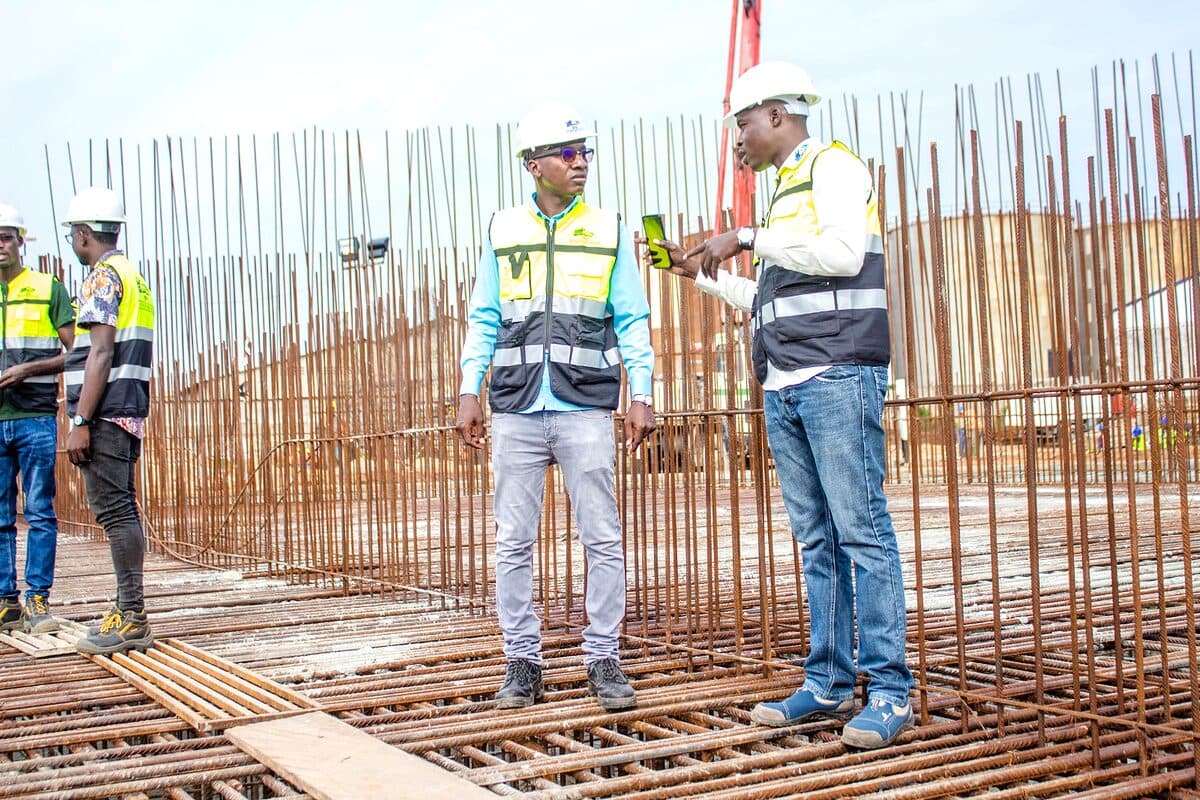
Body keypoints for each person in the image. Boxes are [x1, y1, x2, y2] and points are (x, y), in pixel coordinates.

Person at [650, 62, 914, 748]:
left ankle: (889, 692)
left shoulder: (833, 168)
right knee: (820, 541)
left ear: (775, 114)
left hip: (836, 375)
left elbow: (842, 253)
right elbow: (769, 300)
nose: (737, 139)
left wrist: (744, 237)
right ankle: (828, 683)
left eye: (742, 123)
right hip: (785, 383)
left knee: (863, 533)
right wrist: (705, 278)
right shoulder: (784, 197)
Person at [455, 102, 655, 711]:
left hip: (584, 404)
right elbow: (485, 314)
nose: (580, 163)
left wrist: (641, 392)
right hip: (515, 405)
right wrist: (470, 387)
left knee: (602, 536)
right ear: (533, 164)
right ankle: (522, 662)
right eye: (568, 153)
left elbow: (632, 317)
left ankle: (604, 659)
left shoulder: (608, 228)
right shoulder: (503, 229)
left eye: (585, 152)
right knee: (513, 540)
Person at [60, 187, 156, 655]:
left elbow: (100, 353)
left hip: (105, 411)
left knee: (116, 512)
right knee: (123, 509)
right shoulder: (133, 276)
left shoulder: (102, 277)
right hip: (128, 406)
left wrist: (80, 418)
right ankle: (126, 606)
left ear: (82, 234)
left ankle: (133, 615)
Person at [0, 203, 76, 635]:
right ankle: (5, 601)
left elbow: (76, 351)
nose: (0, 245)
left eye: (6, 237)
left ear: (20, 242)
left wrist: (27, 370)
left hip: (35, 417)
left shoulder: (48, 288)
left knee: (40, 511)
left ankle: (37, 600)